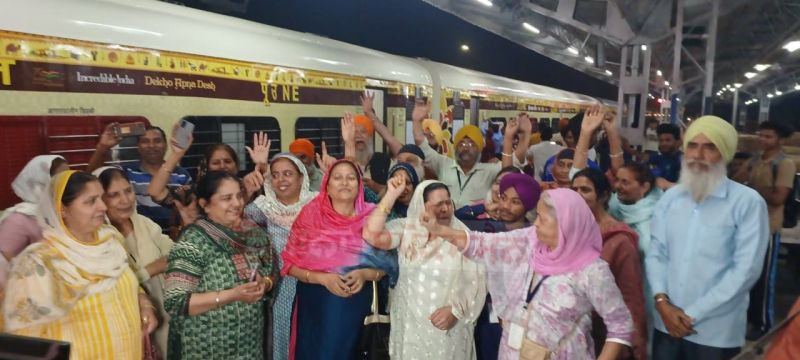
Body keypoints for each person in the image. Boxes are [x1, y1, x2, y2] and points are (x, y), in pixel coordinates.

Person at [421, 188, 633, 359]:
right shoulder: (531, 241)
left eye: (542, 218)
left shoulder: (592, 271)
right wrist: (440, 230)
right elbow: (484, 244)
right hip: (513, 350)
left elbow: (620, 325)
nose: (536, 223)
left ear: (565, 224)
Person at [646, 115, 769, 359]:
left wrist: (690, 314)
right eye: (692, 145)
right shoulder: (671, 199)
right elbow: (656, 253)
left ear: (724, 153)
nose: (698, 155)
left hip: (716, 334)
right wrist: (661, 302)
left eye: (710, 147)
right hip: (665, 324)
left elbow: (745, 271)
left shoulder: (747, 203)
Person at [3, 171, 157, 359]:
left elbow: (132, 284)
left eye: (101, 198)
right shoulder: (40, 264)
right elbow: (25, 339)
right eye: (90, 201)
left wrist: (144, 304)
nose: (102, 206)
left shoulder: (111, 242)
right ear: (62, 210)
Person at [281, 159, 397, 360]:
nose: (344, 182)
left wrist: (364, 274)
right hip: (316, 308)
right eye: (338, 178)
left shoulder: (372, 216)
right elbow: (290, 265)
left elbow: (387, 265)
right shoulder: (310, 215)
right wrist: (323, 278)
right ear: (327, 184)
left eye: (351, 178)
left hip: (358, 309)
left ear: (359, 184)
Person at [362, 179, 486, 359]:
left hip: (444, 324)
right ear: (422, 205)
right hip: (408, 321)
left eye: (447, 202)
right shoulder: (407, 229)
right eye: (438, 204)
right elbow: (371, 235)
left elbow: (475, 278)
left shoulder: (461, 234)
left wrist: (455, 310)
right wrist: (390, 195)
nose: (445, 209)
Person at [164, 171, 275, 360]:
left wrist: (265, 284)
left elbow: (271, 272)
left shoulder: (253, 233)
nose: (237, 203)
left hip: (250, 345)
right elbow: (175, 302)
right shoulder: (193, 242)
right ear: (204, 204)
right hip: (206, 347)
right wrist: (232, 295)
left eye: (239, 195)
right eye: (226, 198)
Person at [245, 139, 319, 360]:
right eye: (275, 174)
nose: (280, 180)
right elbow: (234, 224)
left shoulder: (317, 205)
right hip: (278, 285)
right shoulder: (263, 207)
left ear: (301, 177)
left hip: (314, 282)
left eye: (287, 174)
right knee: (281, 337)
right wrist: (250, 184)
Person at [94, 166, 174, 357]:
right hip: (126, 322)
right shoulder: (98, 239)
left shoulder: (144, 224)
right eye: (114, 195)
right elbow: (110, 285)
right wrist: (150, 270)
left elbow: (175, 255)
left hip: (163, 311)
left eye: (128, 191)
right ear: (100, 200)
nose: (125, 200)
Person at [572, 168, 647, 359]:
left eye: (585, 190)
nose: (578, 196)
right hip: (574, 331)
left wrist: (630, 342)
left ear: (603, 196)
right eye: (574, 190)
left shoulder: (619, 240)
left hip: (607, 333)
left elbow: (631, 294)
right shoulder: (569, 231)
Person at [736, 121, 796, 340]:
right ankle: (748, 318)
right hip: (748, 227)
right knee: (747, 276)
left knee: (764, 279)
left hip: (768, 228)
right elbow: (736, 181)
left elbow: (779, 197)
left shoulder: (785, 164)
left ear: (780, 140)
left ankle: (763, 323)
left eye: (769, 137)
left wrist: (751, 190)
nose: (763, 140)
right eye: (761, 136)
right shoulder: (754, 161)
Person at [411, 100, 530, 211]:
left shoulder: (489, 171)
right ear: (456, 147)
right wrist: (416, 121)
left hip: (476, 226)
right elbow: (422, 146)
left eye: (472, 143)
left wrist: (525, 134)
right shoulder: (443, 164)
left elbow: (512, 165)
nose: (466, 147)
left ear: (479, 149)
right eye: (462, 143)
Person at [90, 124, 193, 231]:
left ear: (166, 145)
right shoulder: (126, 172)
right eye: (145, 141)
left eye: (157, 141)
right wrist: (102, 147)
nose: (151, 145)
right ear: (138, 146)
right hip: (141, 234)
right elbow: (91, 176)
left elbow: (189, 208)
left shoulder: (182, 175)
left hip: (175, 234)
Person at [0, 155, 68, 289]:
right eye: (60, 180)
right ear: (41, 183)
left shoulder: (62, 210)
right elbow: (3, 266)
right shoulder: (18, 220)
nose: (67, 185)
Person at [649, 123, 683, 190]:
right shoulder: (658, 158)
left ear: (678, 142)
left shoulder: (682, 161)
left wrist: (667, 184)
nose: (663, 143)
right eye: (661, 140)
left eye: (668, 140)